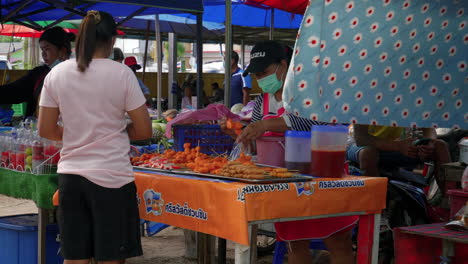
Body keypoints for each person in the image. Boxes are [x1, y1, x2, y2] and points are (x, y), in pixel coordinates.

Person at [224, 40, 356, 264]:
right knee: (295, 244)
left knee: (337, 241)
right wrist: (240, 133)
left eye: (264, 72)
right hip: (285, 182)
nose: (260, 79)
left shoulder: (309, 92)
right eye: (256, 75)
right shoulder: (261, 102)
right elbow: (257, 143)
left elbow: (310, 123)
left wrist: (266, 125)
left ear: (283, 65)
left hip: (323, 176)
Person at [38, 10, 151, 264]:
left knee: (75, 258)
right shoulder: (122, 74)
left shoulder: (56, 74)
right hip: (112, 178)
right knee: (111, 258)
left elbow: (45, 129)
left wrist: (78, 133)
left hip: (71, 178)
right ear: (112, 41)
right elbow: (144, 130)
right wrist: (115, 131)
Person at [348, 124, 451, 191]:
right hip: (360, 146)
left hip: (397, 146)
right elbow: (360, 139)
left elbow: (428, 128)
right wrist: (398, 146)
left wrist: (427, 144)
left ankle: (451, 204)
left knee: (440, 146)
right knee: (368, 154)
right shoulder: (368, 97)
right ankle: (376, 210)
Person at [0, 27, 75, 117]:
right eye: (42, 49)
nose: (43, 54)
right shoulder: (39, 74)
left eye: (47, 49)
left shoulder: (76, 75)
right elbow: (14, 91)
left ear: (62, 50)